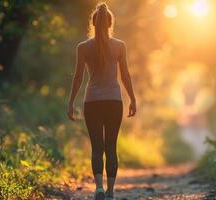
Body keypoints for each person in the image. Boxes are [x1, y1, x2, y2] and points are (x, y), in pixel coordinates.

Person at [67, 2, 136, 200]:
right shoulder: (120, 46)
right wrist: (132, 99)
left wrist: (71, 102)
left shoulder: (83, 47)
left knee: (97, 147)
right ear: (109, 23)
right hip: (114, 101)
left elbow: (78, 77)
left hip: (92, 102)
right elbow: (126, 76)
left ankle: (98, 188)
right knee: (111, 147)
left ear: (94, 22)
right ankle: (111, 192)